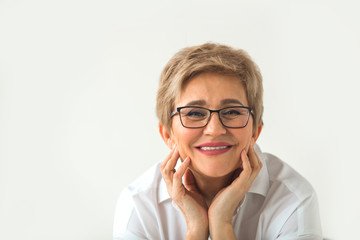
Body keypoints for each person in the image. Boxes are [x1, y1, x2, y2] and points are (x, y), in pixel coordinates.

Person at [113, 43, 322, 240]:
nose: (214, 130)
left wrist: (221, 224)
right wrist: (196, 230)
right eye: (194, 113)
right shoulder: (139, 206)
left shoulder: (293, 199)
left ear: (255, 132)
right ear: (167, 134)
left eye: (232, 111)